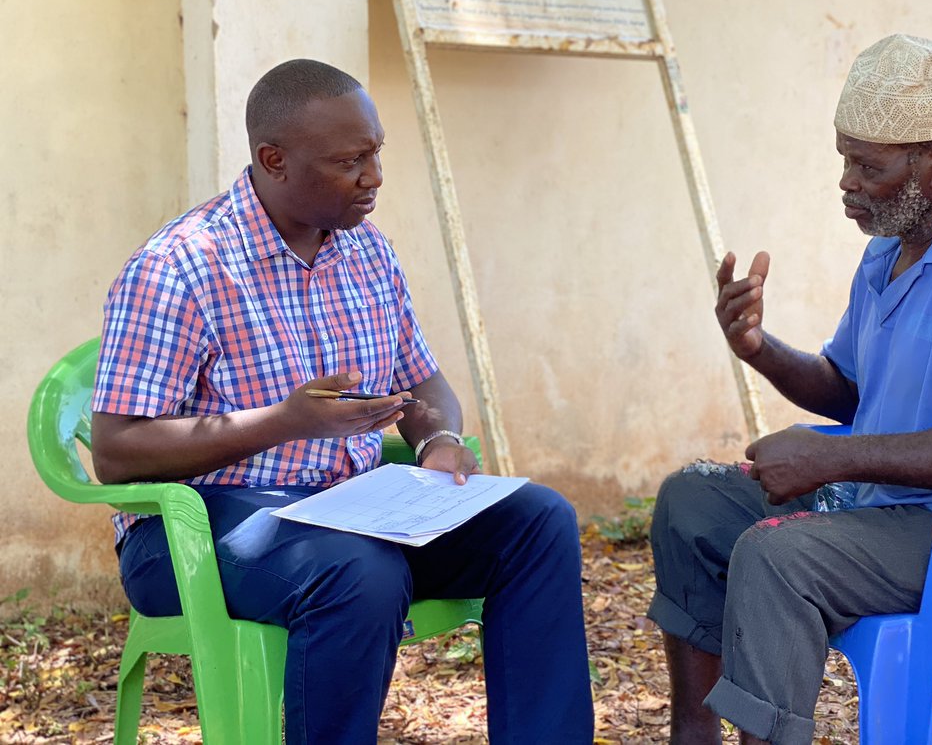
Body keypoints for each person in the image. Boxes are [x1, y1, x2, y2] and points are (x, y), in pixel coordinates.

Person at [90, 59, 594, 745]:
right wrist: (282, 424)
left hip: (353, 513)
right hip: (193, 534)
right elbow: (117, 454)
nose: (374, 176)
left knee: (537, 520)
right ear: (275, 160)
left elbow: (422, 383)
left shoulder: (367, 252)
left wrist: (438, 440)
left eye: (377, 152)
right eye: (350, 160)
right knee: (361, 574)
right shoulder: (180, 265)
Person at [648, 34, 932, 745]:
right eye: (844, 161)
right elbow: (850, 391)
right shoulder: (889, 245)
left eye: (867, 165)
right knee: (693, 501)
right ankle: (693, 737)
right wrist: (758, 349)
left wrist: (838, 460)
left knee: (776, 554)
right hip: (900, 510)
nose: (847, 183)